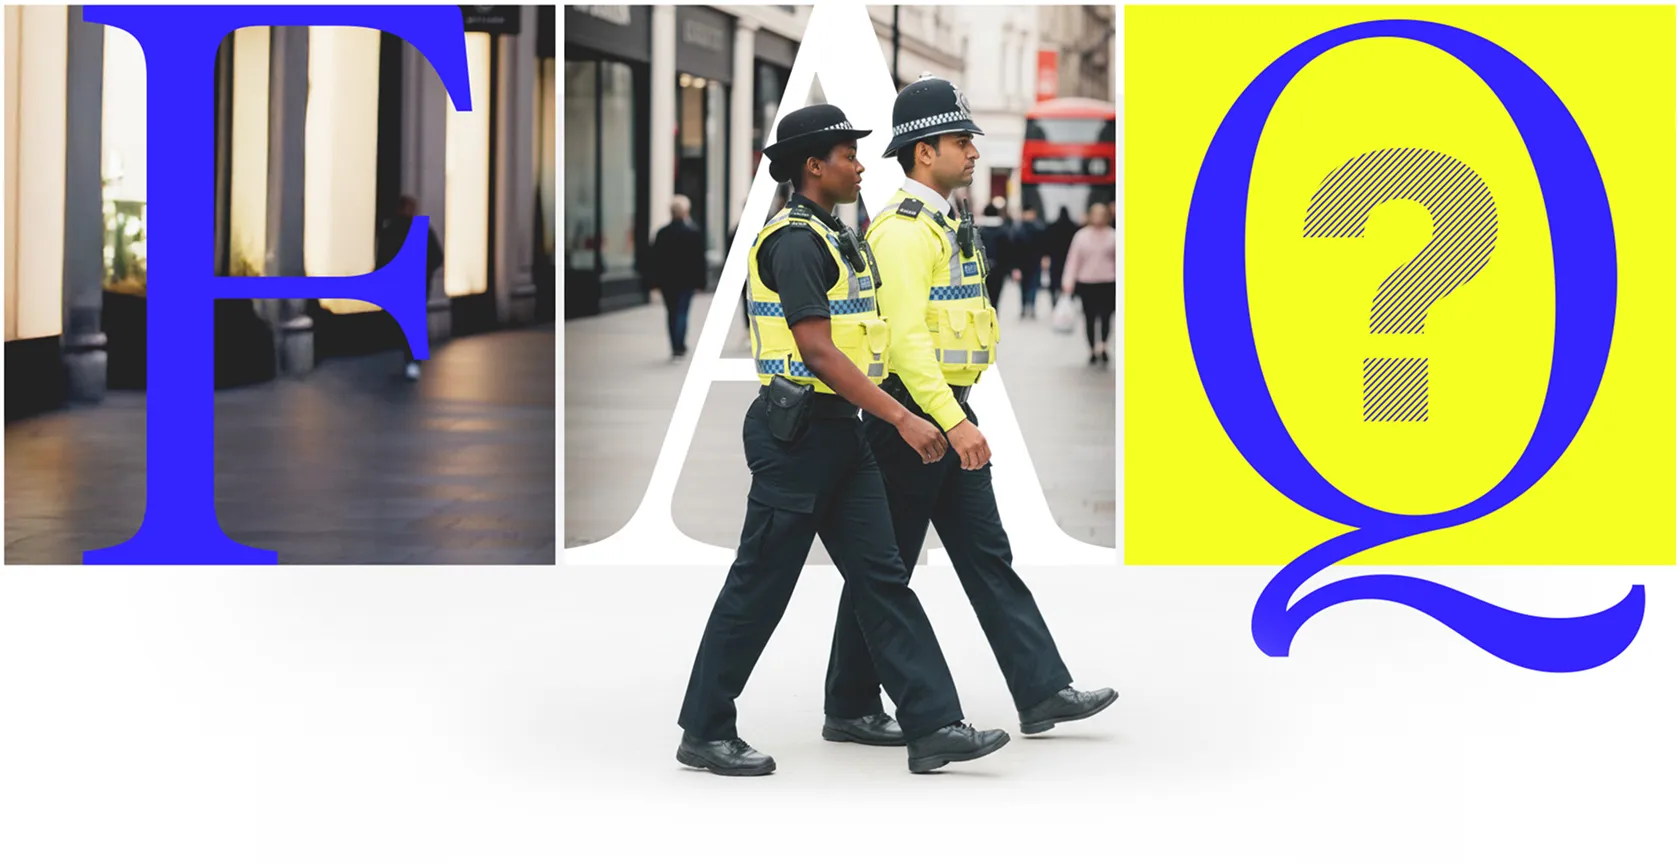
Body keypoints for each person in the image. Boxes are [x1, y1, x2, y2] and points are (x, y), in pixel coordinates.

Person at [676, 103, 1011, 777]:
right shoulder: (795, 240)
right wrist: (904, 418)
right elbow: (821, 353)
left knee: (883, 578)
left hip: (839, 436)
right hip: (795, 436)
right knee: (760, 587)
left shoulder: (835, 234)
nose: (861, 165)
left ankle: (934, 724)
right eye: (848, 155)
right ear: (813, 167)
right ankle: (705, 729)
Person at [822, 75, 1118, 741]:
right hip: (914, 419)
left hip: (947, 412)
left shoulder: (944, 221)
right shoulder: (901, 233)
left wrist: (958, 416)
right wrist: (950, 424)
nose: (975, 152)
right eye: (963, 141)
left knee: (985, 554)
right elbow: (904, 339)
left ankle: (1042, 689)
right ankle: (848, 706)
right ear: (925, 152)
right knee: (886, 567)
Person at [374, 194, 443, 380]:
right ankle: (412, 361)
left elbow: (382, 260)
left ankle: (407, 356)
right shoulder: (422, 230)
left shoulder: (390, 231)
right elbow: (437, 257)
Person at [648, 195, 706, 359]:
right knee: (682, 312)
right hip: (686, 281)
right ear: (686, 212)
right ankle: (679, 346)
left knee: (672, 312)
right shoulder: (693, 233)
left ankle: (675, 344)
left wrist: (654, 282)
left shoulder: (662, 233)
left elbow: (654, 260)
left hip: (667, 281)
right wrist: (701, 282)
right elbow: (698, 260)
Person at [1062, 201, 1117, 366]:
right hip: (1086, 282)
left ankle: (1104, 346)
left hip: (1108, 281)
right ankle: (1092, 348)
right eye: (1096, 214)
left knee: (1107, 316)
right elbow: (1073, 260)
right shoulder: (1081, 236)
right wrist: (1068, 281)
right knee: (1089, 317)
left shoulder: (1113, 235)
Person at [1010, 206, 1046, 318]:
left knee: (1033, 286)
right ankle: (1024, 307)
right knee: (1024, 287)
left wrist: (1044, 258)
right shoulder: (1018, 229)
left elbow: (1044, 245)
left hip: (1035, 262)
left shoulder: (1038, 228)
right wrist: (1014, 267)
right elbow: (1014, 248)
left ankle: (1031, 307)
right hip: (1023, 263)